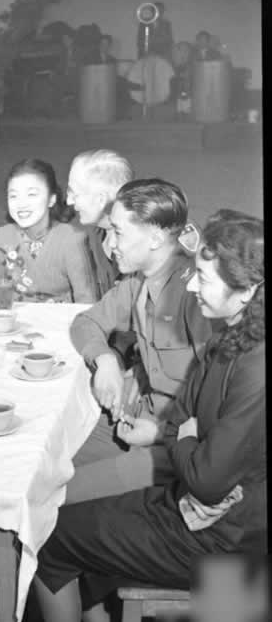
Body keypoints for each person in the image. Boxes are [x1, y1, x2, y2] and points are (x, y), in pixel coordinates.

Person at [32, 210, 265, 622]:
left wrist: (186, 436)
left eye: (203, 278)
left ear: (247, 291)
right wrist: (188, 435)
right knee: (77, 516)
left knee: (47, 535)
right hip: (196, 506)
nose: (192, 286)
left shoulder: (254, 368)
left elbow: (206, 479)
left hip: (221, 536)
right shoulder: (232, 338)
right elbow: (181, 423)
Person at [66, 179, 212, 503]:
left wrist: (160, 433)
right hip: (139, 416)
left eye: (118, 232)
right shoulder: (139, 280)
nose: (111, 244)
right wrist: (105, 360)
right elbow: (85, 322)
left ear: (156, 238)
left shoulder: (197, 297)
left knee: (63, 496)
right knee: (49, 464)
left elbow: (222, 411)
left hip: (177, 448)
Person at [0, 159, 96, 303]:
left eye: (31, 194)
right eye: (13, 196)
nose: (21, 204)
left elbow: (86, 299)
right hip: (13, 316)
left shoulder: (72, 239)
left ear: (51, 200)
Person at [66, 150, 134, 300]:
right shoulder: (92, 238)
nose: (69, 201)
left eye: (75, 194)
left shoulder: (148, 243)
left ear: (101, 200)